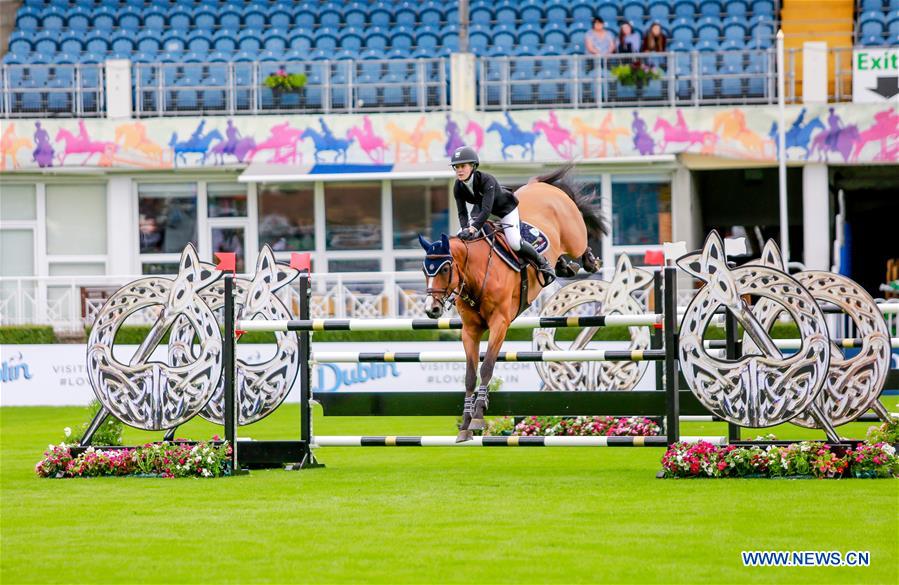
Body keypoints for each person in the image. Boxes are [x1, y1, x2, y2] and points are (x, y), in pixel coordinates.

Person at [450, 146, 555, 283]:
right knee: (459, 238)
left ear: (473, 166)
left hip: (504, 210)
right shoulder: (458, 186)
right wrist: (465, 228)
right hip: (480, 212)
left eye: (463, 166)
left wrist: (473, 228)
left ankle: (543, 264)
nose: (459, 170)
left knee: (515, 242)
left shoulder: (486, 180)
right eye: (456, 167)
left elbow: (487, 209)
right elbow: (462, 212)